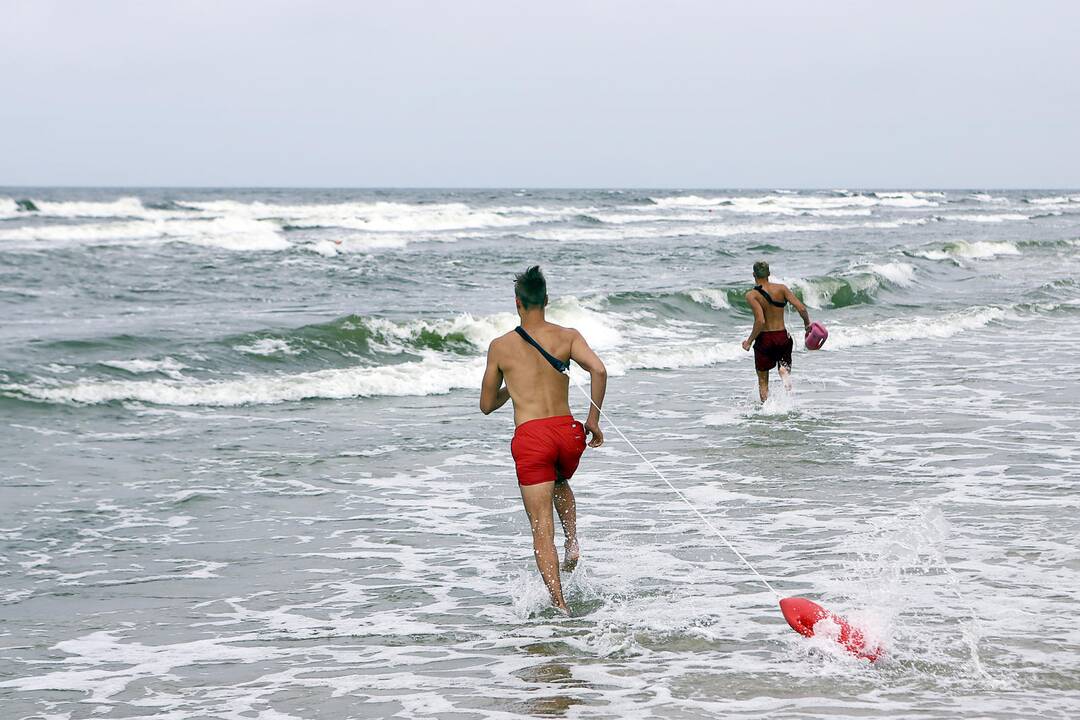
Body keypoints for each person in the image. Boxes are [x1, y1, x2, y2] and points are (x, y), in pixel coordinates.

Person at [480, 265, 607, 615]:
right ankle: (573, 541)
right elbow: (598, 369)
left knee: (540, 529)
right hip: (568, 433)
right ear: (546, 301)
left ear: (518, 303)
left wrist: (512, 387)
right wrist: (592, 420)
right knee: (560, 479)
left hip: (532, 436)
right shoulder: (567, 336)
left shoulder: (501, 346)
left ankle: (560, 605)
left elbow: (486, 405)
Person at [741, 260, 811, 402]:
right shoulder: (782, 289)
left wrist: (749, 342)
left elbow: (760, 321)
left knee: (763, 381)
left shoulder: (752, 295)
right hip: (782, 337)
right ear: (769, 274)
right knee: (784, 367)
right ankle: (783, 371)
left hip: (764, 340)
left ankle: (766, 410)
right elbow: (802, 308)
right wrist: (807, 324)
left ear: (753, 274)